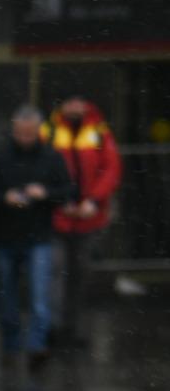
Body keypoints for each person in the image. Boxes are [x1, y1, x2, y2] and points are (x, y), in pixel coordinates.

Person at [0, 105, 75, 382]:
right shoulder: (0, 157)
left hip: (39, 237)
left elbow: (67, 191)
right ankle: (11, 345)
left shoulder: (51, 157)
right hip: (6, 237)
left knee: (39, 298)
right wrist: (4, 198)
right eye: (21, 133)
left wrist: (45, 193)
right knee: (6, 298)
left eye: (30, 133)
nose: (25, 138)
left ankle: (36, 347)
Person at [49, 93, 122, 347]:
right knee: (56, 272)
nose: (74, 107)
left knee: (79, 274)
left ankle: (74, 329)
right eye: (69, 102)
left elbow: (111, 169)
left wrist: (93, 200)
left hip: (88, 220)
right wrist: (60, 201)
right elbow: (44, 169)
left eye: (78, 102)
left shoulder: (98, 130)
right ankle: (55, 328)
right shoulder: (50, 131)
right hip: (57, 219)